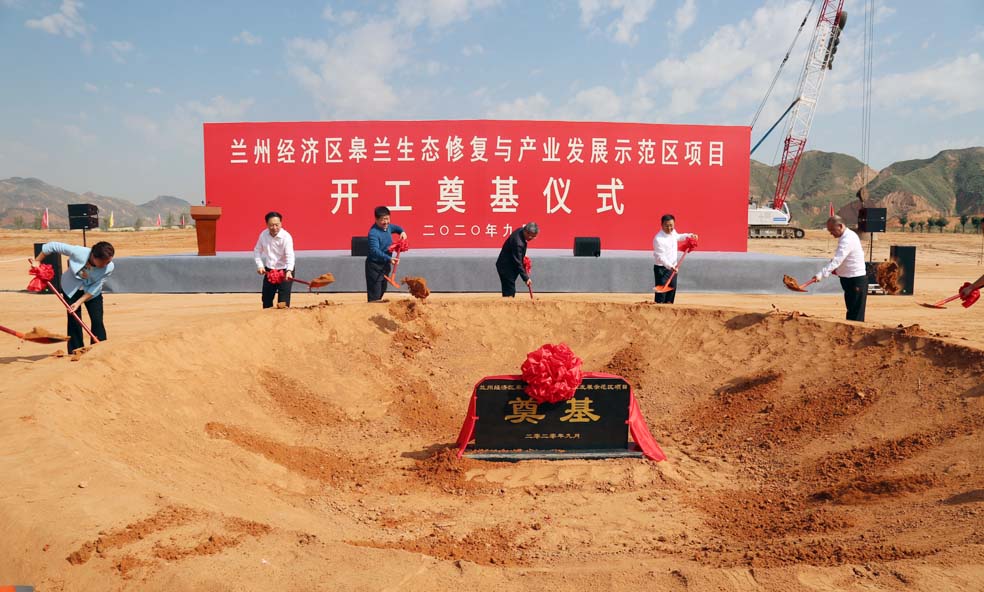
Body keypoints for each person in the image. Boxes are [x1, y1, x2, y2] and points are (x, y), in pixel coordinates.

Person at [29, 241, 115, 353]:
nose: (106, 264)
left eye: (109, 261)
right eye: (104, 262)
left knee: (97, 320)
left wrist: (79, 302)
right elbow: (51, 246)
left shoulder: (109, 267)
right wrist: (37, 260)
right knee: (74, 320)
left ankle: (99, 349)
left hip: (92, 293)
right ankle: (76, 350)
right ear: (94, 256)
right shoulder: (78, 252)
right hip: (71, 289)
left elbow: (95, 287)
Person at [815, 215, 868, 321]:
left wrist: (822, 274)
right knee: (851, 310)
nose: (831, 233)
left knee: (855, 313)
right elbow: (841, 260)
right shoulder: (844, 237)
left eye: (832, 230)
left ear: (840, 226)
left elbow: (838, 259)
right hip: (848, 279)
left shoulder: (848, 239)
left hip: (855, 279)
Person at [253, 211, 295, 309]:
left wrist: (289, 270)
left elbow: (290, 255)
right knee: (266, 300)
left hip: (284, 270)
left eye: (277, 225)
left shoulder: (286, 237)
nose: (274, 228)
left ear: (281, 223)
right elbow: (257, 251)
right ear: (267, 224)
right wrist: (260, 265)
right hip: (270, 271)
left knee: (283, 303)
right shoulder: (263, 235)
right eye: (271, 225)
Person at [652, 214, 697, 304]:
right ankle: (658, 310)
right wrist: (670, 266)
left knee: (671, 292)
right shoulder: (658, 239)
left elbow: (679, 237)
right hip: (662, 269)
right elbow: (661, 257)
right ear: (662, 225)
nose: (669, 228)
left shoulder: (673, 233)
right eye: (666, 226)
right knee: (661, 295)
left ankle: (669, 309)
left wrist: (690, 235)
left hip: (673, 268)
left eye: (671, 225)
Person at [366, 206, 407, 302]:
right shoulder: (373, 233)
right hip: (375, 266)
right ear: (376, 219)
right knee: (375, 294)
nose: (386, 222)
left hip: (385, 265)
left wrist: (402, 231)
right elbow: (374, 250)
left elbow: (396, 228)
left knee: (382, 289)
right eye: (383, 220)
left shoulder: (388, 227)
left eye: (387, 219)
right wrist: (389, 258)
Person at [496, 222, 538, 297]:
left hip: (510, 264)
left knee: (509, 289)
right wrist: (526, 278)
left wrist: (523, 257)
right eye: (532, 236)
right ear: (527, 232)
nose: (532, 238)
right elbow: (518, 262)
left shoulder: (521, 231)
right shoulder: (518, 243)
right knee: (509, 291)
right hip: (506, 266)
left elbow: (518, 256)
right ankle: (508, 303)